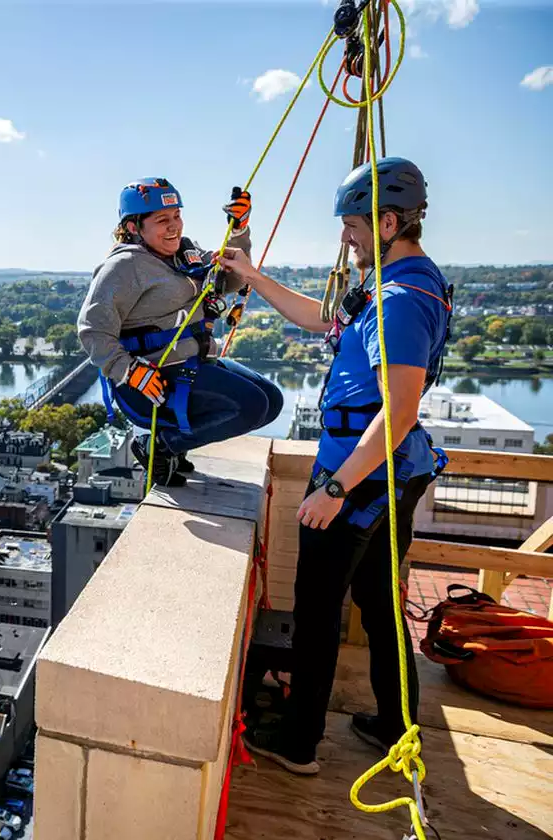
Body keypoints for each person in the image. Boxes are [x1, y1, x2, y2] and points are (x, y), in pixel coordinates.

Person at [217, 157, 453, 775]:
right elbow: (325, 322)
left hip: (360, 475)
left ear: (389, 221)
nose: (344, 237)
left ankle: (298, 743)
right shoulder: (398, 283)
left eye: (352, 225)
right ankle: (395, 726)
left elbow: (398, 411)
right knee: (377, 601)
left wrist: (334, 488)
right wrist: (252, 276)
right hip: (385, 474)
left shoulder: (399, 299)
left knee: (317, 613)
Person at [77, 178, 283, 487]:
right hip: (154, 380)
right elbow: (92, 330)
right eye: (162, 220)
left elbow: (230, 281)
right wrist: (129, 372)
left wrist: (239, 230)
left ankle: (175, 444)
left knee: (272, 400)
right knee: (252, 406)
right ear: (134, 227)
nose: (174, 226)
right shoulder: (123, 268)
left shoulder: (185, 253)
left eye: (176, 216)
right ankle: (160, 446)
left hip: (194, 363)